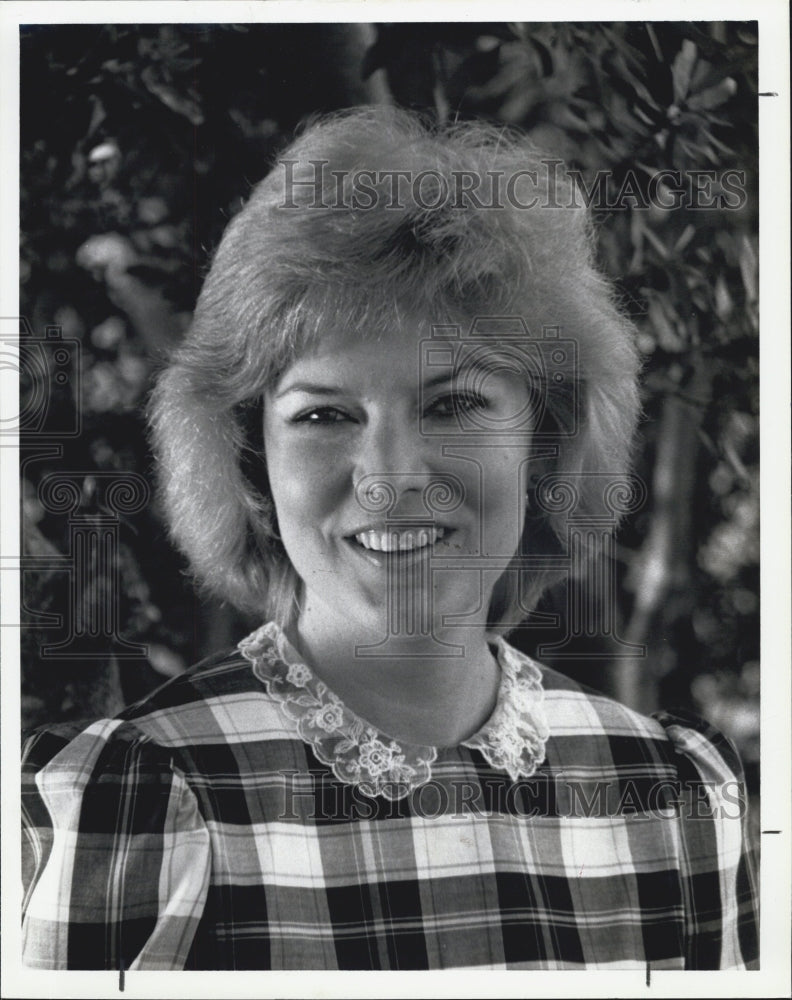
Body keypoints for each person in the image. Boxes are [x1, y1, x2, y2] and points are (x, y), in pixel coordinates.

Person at [21, 107, 758, 971]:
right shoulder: (147, 797)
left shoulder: (676, 797)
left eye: (452, 405)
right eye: (324, 414)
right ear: (251, 460)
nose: (387, 475)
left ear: (545, 442)